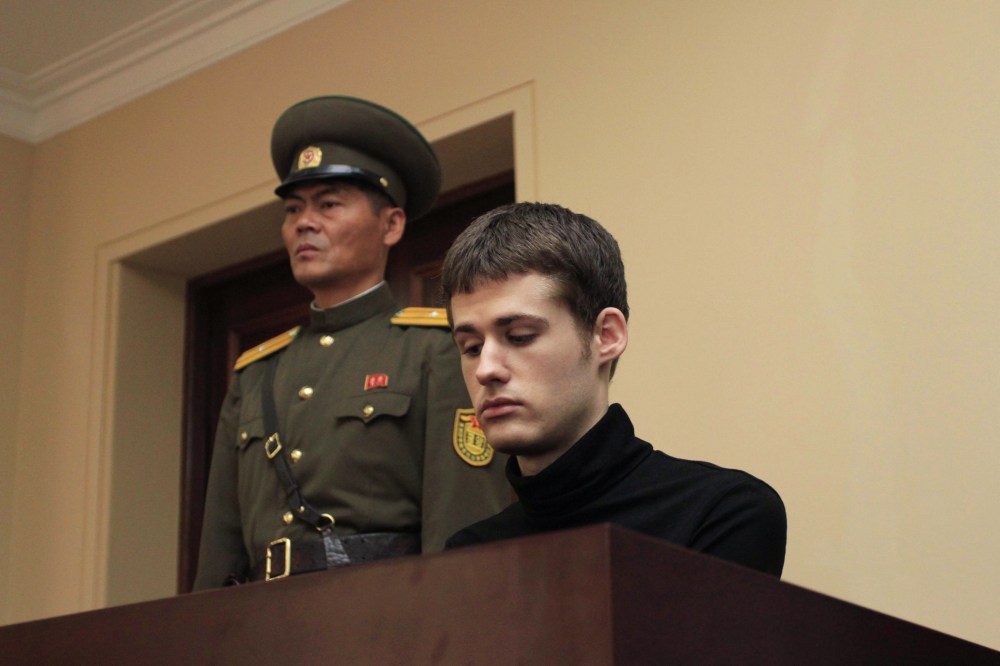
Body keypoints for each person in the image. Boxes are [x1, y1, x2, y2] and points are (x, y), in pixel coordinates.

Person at [194, 96, 508, 588]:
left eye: (329, 204)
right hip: (259, 626)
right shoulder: (255, 371)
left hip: (382, 618)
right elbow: (220, 542)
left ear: (391, 224)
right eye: (293, 208)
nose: (304, 222)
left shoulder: (436, 348)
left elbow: (461, 515)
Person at [440, 202, 786, 576]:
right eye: (472, 348)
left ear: (606, 336)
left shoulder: (721, 512)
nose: (486, 369)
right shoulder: (467, 555)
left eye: (520, 337)